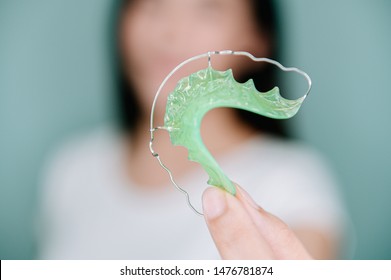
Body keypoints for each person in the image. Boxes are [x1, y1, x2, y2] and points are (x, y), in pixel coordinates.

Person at [37, 0, 347, 259]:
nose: (170, 33)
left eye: (207, 9)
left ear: (256, 37)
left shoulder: (292, 182)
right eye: (152, 5)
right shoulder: (72, 168)